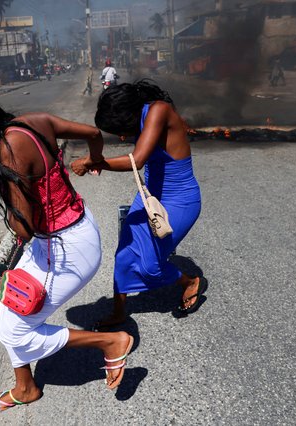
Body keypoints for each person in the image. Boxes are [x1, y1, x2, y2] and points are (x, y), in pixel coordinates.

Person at [0, 89, 134, 411]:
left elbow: (24, 227)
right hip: (72, 232)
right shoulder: (31, 122)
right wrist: (94, 158)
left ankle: (110, 342)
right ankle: (25, 386)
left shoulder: (7, 152)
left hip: (65, 247)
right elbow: (93, 133)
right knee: (3, 306)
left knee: (16, 331)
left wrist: (6, 189)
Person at [71, 80, 203, 330]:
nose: (121, 136)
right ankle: (119, 312)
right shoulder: (143, 117)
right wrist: (98, 162)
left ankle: (188, 282)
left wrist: (92, 162)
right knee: (123, 255)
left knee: (149, 265)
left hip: (180, 200)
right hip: (149, 196)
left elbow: (138, 160)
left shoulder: (158, 110)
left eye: (120, 129)